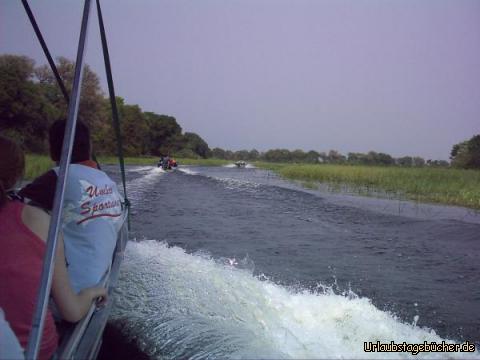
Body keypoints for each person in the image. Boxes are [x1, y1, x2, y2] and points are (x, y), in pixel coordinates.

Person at [0, 136, 107, 360]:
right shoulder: (40, 221)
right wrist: (92, 291)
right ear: (17, 174)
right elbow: (72, 311)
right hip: (37, 351)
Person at [19, 120, 124, 293]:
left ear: (53, 148)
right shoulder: (107, 181)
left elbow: (11, 205)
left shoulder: (58, 177)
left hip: (70, 292)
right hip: (98, 279)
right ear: (88, 147)